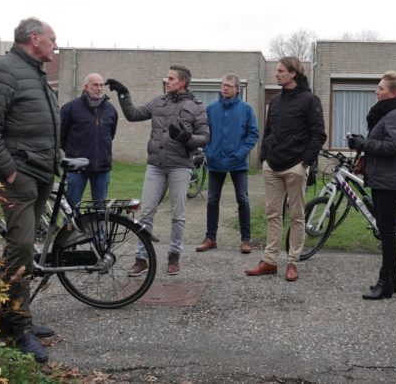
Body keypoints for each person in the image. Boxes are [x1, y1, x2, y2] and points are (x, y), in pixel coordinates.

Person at [0, 17, 60, 363]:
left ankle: (17, 315)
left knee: (25, 248)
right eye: (52, 38)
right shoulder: (3, 70)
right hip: (20, 174)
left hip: (40, 171)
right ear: (34, 38)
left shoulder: (33, 71)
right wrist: (7, 170)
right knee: (20, 247)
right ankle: (15, 328)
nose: (56, 44)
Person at [105, 66, 209, 276]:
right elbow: (133, 114)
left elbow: (206, 137)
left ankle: (174, 256)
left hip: (180, 165)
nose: (167, 81)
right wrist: (124, 94)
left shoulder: (196, 106)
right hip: (156, 165)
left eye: (171, 78)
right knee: (146, 212)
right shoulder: (158, 101)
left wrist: (186, 139)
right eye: (167, 78)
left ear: (182, 82)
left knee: (178, 215)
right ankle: (141, 259)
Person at [245, 56, 326, 282]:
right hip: (272, 166)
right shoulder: (276, 101)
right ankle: (269, 261)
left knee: (297, 216)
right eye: (277, 71)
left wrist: (305, 163)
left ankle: (292, 262)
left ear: (293, 73)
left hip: (296, 167)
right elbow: (269, 131)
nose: (276, 74)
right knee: (272, 215)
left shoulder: (311, 100)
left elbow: (319, 134)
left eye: (281, 71)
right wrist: (264, 157)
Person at [347, 71, 396, 300]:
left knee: (386, 232)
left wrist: (364, 144)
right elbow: (383, 142)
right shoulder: (389, 113)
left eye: (381, 88)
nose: (376, 91)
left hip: (390, 181)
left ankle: (385, 282)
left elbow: (393, 147)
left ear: (393, 93)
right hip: (382, 179)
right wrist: (362, 142)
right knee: (386, 230)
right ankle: (394, 278)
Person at [195, 74, 259, 254]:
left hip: (238, 163)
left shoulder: (246, 109)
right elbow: (204, 133)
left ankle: (246, 240)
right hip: (215, 162)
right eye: (223, 85)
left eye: (229, 86)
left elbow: (253, 134)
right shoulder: (212, 109)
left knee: (243, 200)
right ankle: (210, 238)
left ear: (237, 89)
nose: (225, 88)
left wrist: (240, 154)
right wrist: (208, 151)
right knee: (212, 200)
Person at [60, 73, 118, 205]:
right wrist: (74, 153)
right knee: (72, 208)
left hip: (102, 168)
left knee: (100, 210)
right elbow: (61, 135)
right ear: (86, 87)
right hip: (77, 168)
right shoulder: (70, 108)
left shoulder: (111, 110)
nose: (99, 88)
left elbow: (110, 135)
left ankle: (98, 227)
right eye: (95, 85)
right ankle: (70, 227)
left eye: (101, 85)